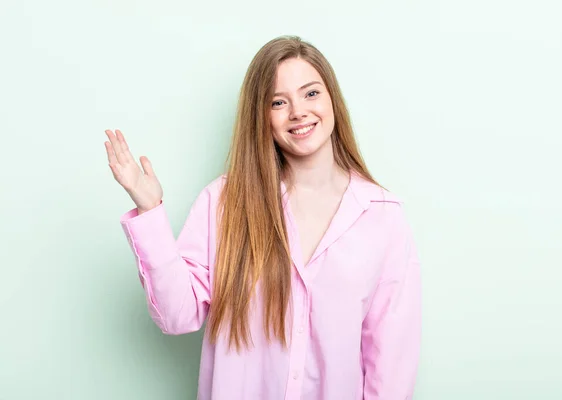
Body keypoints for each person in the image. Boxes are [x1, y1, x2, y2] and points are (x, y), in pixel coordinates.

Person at [104, 35, 422, 400]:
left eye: (311, 93)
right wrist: (149, 210)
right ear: (261, 116)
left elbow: (391, 362)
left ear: (333, 98)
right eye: (278, 102)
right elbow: (178, 315)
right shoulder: (223, 201)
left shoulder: (382, 216)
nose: (298, 111)